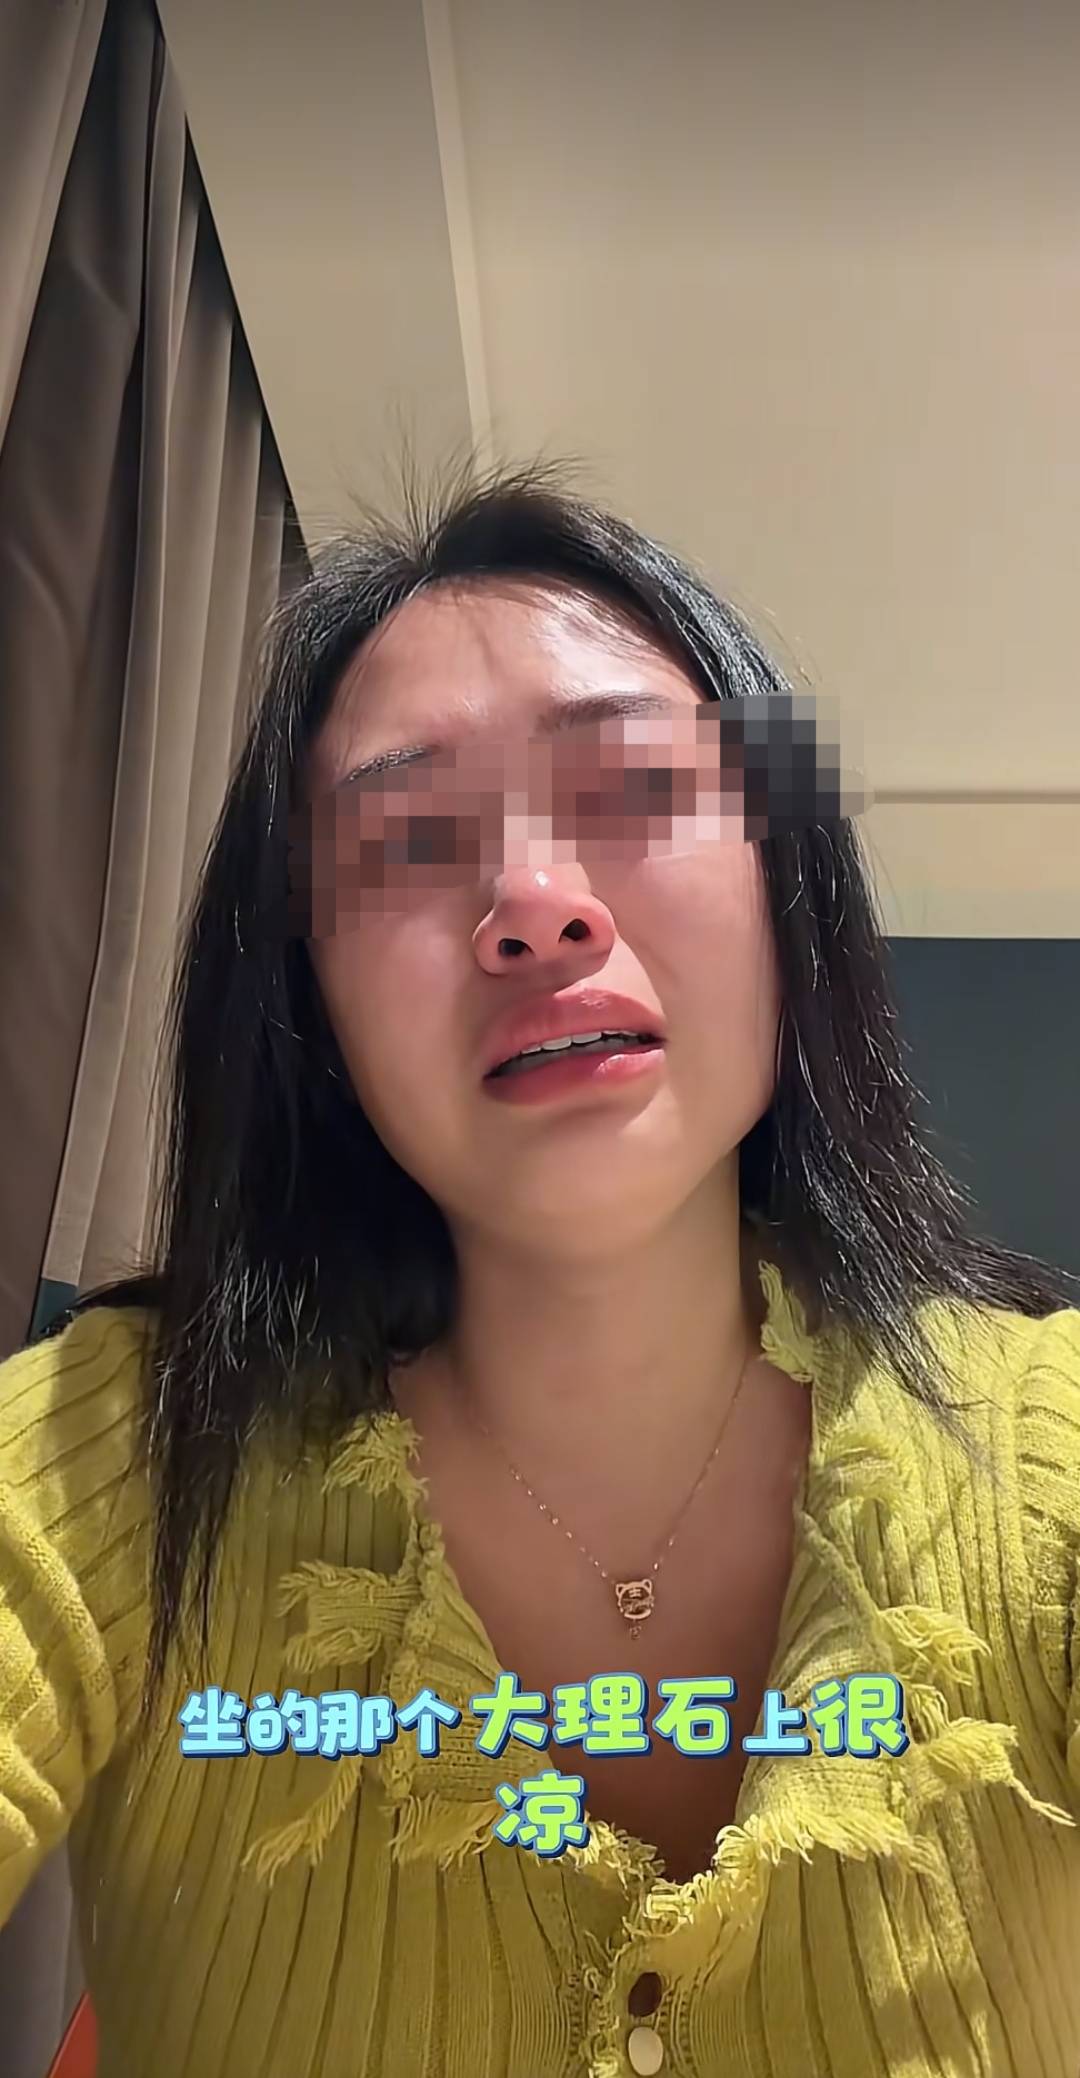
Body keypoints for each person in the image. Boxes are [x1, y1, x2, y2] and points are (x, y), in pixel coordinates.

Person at [1, 459, 1078, 2078]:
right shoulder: (125, 1455)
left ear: (784, 877)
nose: (532, 909)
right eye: (409, 837)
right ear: (309, 1000)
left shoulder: (1045, 1446)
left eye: (634, 791)